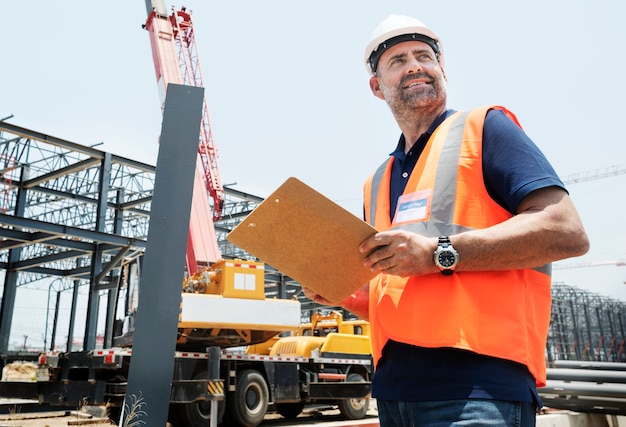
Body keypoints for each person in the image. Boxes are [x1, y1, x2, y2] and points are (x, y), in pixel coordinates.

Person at [303, 14, 589, 427]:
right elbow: (400, 293)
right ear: (376, 87)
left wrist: (439, 253)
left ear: (443, 71)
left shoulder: (485, 128)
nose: (415, 65)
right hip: (394, 394)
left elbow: (566, 231)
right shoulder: (376, 182)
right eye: (398, 60)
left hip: (479, 390)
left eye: (424, 56)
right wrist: (342, 293)